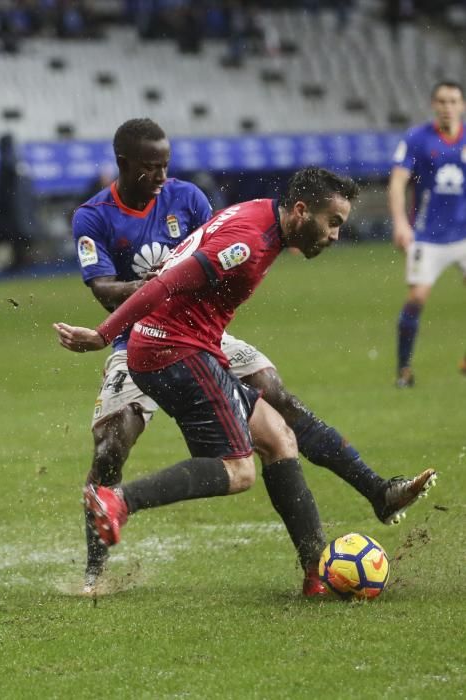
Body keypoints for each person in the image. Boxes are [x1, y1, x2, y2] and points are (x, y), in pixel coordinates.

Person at [57, 167, 437, 597]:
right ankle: (120, 501)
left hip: (191, 345)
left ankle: (317, 575)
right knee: (238, 471)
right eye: (332, 222)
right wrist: (104, 335)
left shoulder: (263, 218)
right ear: (299, 211)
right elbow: (164, 285)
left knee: (279, 437)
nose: (334, 235)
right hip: (173, 349)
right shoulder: (248, 244)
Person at [389, 79, 466, 387]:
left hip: (464, 233)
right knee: (417, 297)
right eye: (442, 101)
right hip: (428, 234)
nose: (448, 107)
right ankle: (404, 370)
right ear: (434, 105)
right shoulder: (418, 139)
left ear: (462, 105)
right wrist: (399, 223)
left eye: (453, 101)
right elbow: (397, 182)